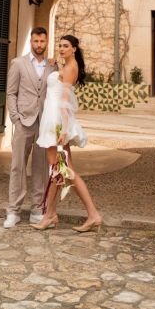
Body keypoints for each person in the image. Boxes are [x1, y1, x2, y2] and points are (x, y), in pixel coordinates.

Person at [33, 34, 102, 233]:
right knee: (58, 171)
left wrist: (63, 129)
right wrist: (55, 66)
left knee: (65, 171)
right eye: (60, 45)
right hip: (53, 118)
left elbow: (65, 102)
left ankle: (93, 214)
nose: (61, 49)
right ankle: (50, 214)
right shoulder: (65, 66)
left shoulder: (70, 68)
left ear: (74, 49)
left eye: (66, 46)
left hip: (56, 121)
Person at [4, 26, 58, 229]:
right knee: (17, 166)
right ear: (31, 42)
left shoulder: (53, 66)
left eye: (42, 41)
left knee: (41, 167)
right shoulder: (18, 64)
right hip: (23, 122)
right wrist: (15, 118)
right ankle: (13, 211)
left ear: (46, 42)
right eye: (36, 41)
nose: (39, 45)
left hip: (44, 123)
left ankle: (37, 209)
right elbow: (11, 93)